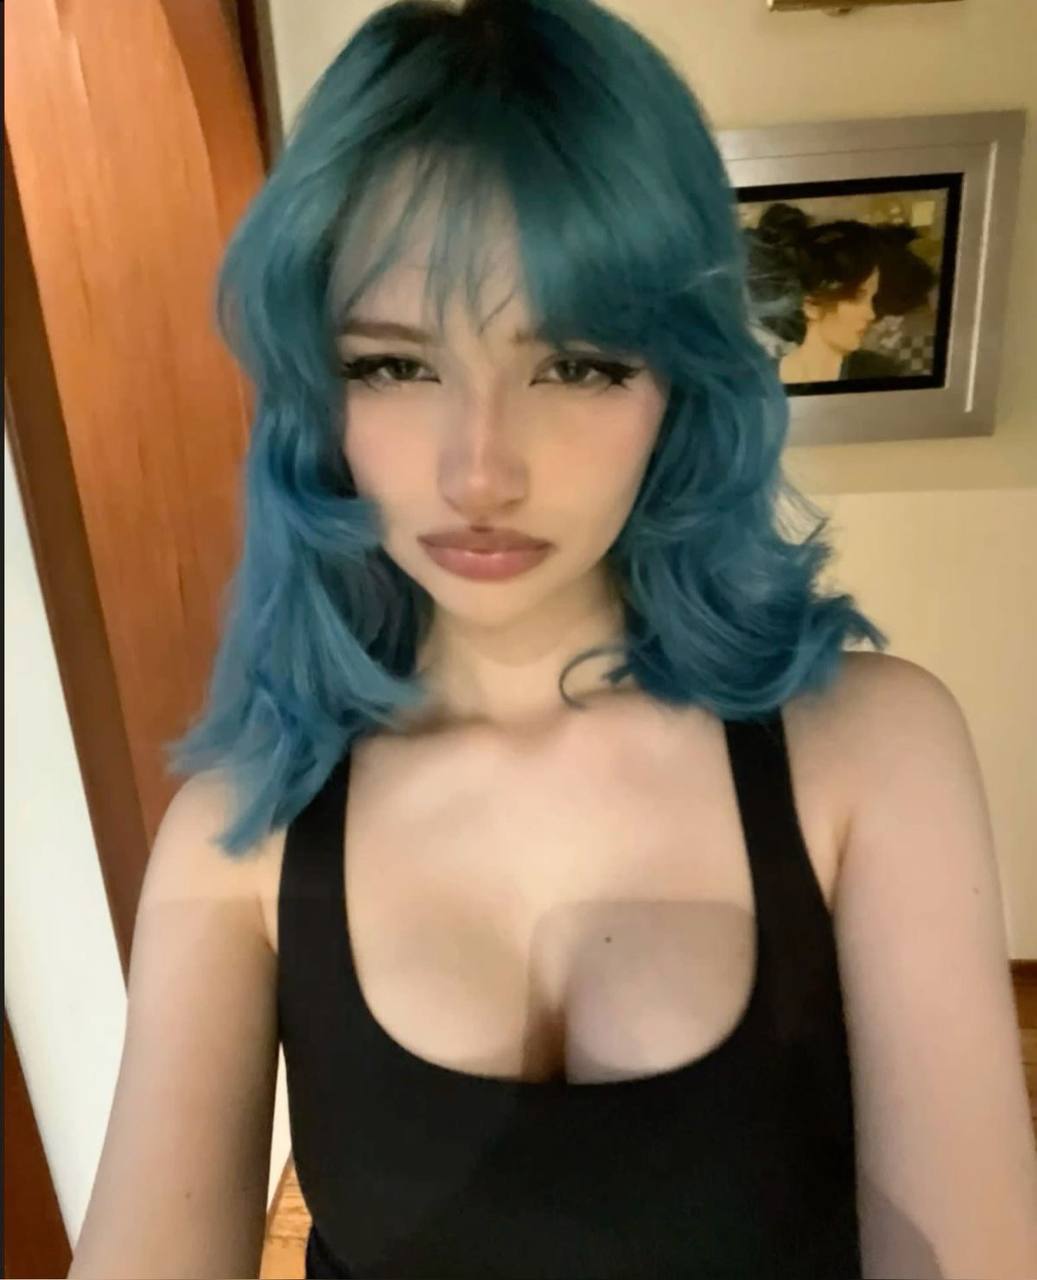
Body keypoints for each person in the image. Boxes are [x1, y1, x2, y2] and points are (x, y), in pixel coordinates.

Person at [67, 1, 1037, 1278]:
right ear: (318, 391)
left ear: (680, 384)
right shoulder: (236, 832)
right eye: (395, 366)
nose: (480, 470)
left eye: (575, 364)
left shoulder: (869, 753)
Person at [743, 202, 936, 385]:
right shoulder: (755, 383)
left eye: (871, 298)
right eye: (857, 296)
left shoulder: (882, 374)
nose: (870, 313)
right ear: (811, 305)